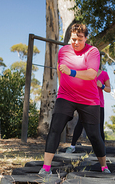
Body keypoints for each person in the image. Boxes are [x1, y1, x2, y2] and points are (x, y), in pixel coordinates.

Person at [38, 23, 111, 174]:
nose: (76, 42)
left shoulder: (93, 51)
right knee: (55, 129)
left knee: (94, 135)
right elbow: (60, 68)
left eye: (79, 39)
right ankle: (46, 168)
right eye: (73, 39)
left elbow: (91, 74)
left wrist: (71, 72)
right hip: (66, 96)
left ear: (86, 38)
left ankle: (104, 166)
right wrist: (61, 87)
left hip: (89, 99)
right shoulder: (63, 51)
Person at [66, 68, 111, 153]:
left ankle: (102, 150)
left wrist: (102, 86)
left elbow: (109, 89)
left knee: (99, 127)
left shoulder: (104, 74)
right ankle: (72, 146)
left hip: (98, 104)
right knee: (80, 124)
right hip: (86, 103)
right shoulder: (86, 72)